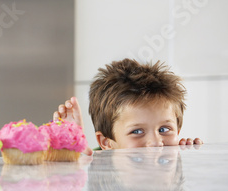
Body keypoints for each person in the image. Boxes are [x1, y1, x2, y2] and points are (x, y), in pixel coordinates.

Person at [54, 58, 203, 155]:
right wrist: (71, 155)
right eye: (137, 131)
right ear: (107, 143)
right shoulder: (102, 179)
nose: (156, 143)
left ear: (178, 131)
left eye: (164, 129)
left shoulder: (176, 161)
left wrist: (192, 155)